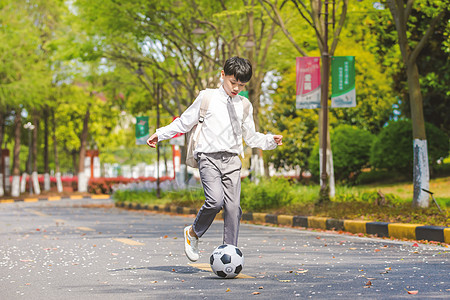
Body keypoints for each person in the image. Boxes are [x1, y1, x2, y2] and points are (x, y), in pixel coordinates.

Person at [147, 56, 283, 262]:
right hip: (208, 158)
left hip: (232, 160)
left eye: (241, 84)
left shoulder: (244, 105)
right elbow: (184, 123)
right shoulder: (206, 97)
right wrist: (160, 133)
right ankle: (193, 233)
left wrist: (270, 140)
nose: (236, 88)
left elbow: (251, 136)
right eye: (233, 82)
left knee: (232, 208)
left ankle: (230, 252)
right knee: (214, 201)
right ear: (222, 75)